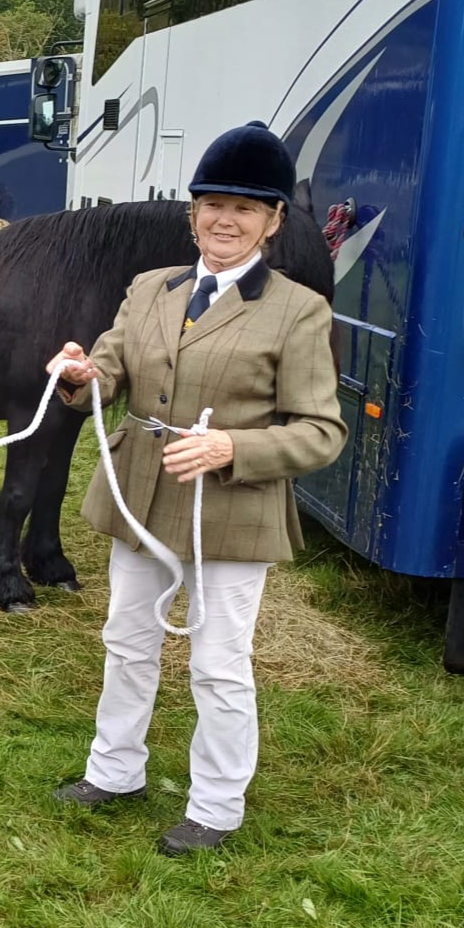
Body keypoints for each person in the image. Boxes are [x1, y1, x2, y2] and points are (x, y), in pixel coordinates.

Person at [45, 122, 348, 855]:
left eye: (245, 207)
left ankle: (215, 807)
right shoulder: (150, 288)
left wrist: (233, 447)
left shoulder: (300, 310)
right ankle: (115, 771)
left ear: (274, 222)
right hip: (142, 496)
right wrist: (82, 377)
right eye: (212, 202)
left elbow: (322, 432)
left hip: (232, 513)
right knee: (126, 641)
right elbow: (112, 367)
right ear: (192, 213)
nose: (224, 218)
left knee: (217, 666)